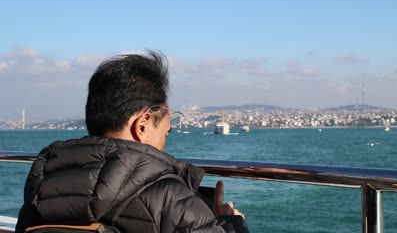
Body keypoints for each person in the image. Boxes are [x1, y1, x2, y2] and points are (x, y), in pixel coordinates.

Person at [15, 50, 249, 233]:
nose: (166, 137)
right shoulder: (172, 199)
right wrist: (231, 224)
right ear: (143, 123)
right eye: (166, 131)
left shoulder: (41, 187)